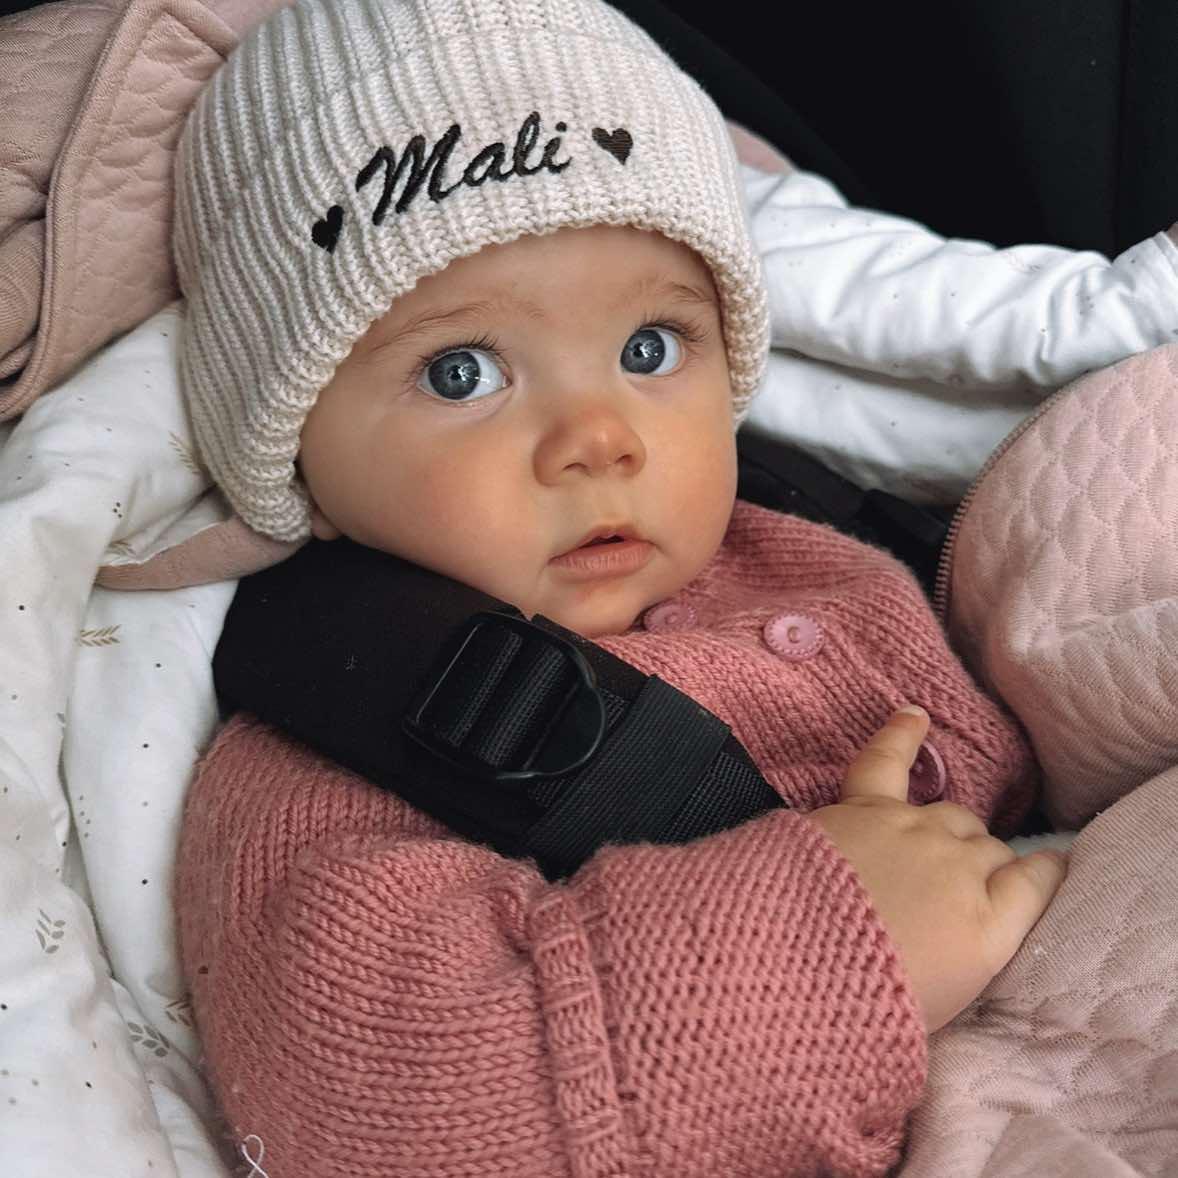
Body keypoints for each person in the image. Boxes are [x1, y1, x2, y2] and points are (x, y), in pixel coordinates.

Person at [169, 0, 1130, 1173]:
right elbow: (388, 1106)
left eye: (648, 350)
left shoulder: (814, 545)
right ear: (291, 446)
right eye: (460, 372)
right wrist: (831, 942)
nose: (598, 437)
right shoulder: (329, 750)